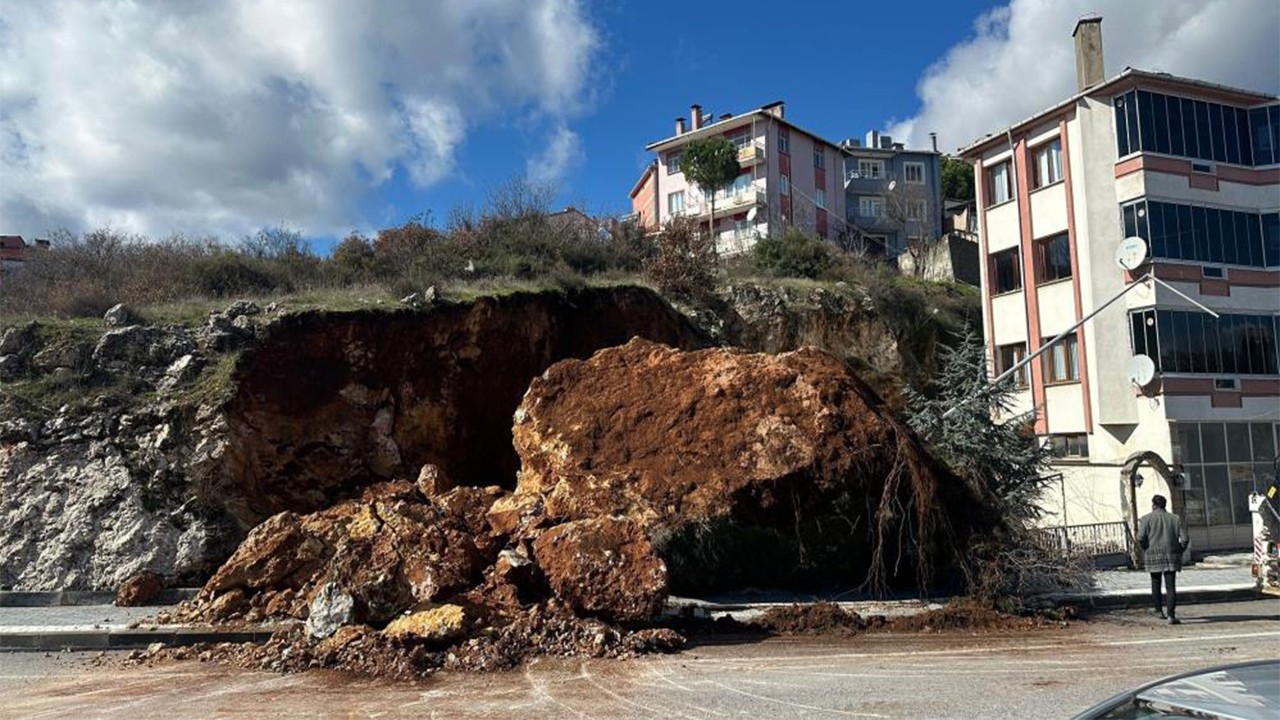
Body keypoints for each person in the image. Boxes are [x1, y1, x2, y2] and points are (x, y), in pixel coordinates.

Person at [1137, 494, 1190, 624]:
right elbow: (1185, 538)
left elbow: (1140, 537)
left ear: (1153, 505)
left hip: (1152, 554)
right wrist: (1179, 550)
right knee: (1170, 586)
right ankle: (1171, 615)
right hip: (1171, 555)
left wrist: (1146, 548)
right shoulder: (1175, 519)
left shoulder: (1146, 519)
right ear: (1165, 505)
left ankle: (1158, 610)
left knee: (1155, 583)